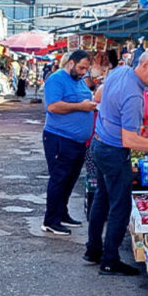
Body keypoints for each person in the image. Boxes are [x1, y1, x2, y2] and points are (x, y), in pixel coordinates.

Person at [84, 47, 148, 275]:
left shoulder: (120, 71)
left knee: (102, 198)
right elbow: (129, 139)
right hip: (113, 152)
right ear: (144, 65)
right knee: (120, 206)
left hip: (99, 143)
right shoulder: (133, 96)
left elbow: (99, 94)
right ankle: (109, 261)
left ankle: (93, 250)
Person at [41, 49, 96, 236]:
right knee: (59, 179)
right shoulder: (56, 80)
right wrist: (81, 106)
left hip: (78, 141)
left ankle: (62, 214)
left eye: (86, 69)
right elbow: (53, 106)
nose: (83, 72)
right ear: (71, 63)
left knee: (70, 179)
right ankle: (51, 221)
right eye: (81, 68)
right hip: (60, 138)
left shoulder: (79, 80)